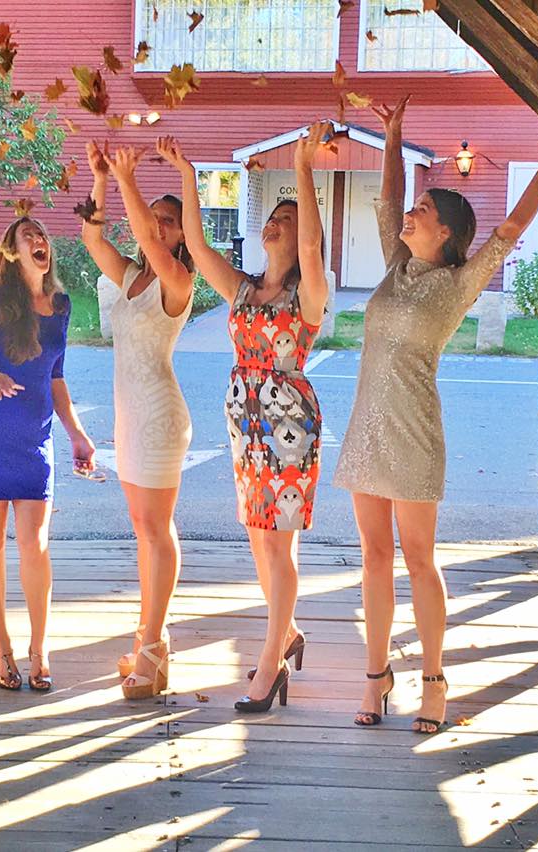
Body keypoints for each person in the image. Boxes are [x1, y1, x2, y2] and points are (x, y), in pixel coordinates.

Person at [333, 97, 538, 733]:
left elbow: (512, 225)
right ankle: (376, 675)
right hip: (365, 431)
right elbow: (388, 196)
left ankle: (433, 677)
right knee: (373, 557)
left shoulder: (458, 284)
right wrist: (392, 135)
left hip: (414, 434)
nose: (410, 213)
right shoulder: (397, 267)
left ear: (446, 232)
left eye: (423, 211)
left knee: (419, 560)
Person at [159, 126, 329, 713]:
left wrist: (303, 168)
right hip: (245, 425)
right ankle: (288, 630)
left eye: (287, 218)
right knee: (261, 542)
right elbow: (198, 245)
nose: (275, 223)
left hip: (289, 429)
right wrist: (188, 175)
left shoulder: (308, 294)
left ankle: (270, 659)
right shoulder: (242, 290)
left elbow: (312, 250)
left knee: (278, 547)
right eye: (273, 216)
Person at [0, 217, 95, 693]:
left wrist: (77, 435)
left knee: (35, 544)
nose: (39, 241)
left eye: (42, 234)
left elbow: (56, 376)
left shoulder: (61, 305)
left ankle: (40, 648)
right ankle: (2, 648)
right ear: (12, 251)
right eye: (28, 236)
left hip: (36, 439)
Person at [81, 140, 194, 700]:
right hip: (131, 416)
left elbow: (145, 237)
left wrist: (129, 178)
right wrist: (102, 177)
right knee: (143, 529)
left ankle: (153, 644)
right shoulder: (131, 277)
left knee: (155, 529)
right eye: (155, 216)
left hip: (159, 414)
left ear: (181, 235)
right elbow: (92, 239)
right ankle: (152, 638)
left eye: (168, 220)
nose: (157, 225)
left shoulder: (179, 281)